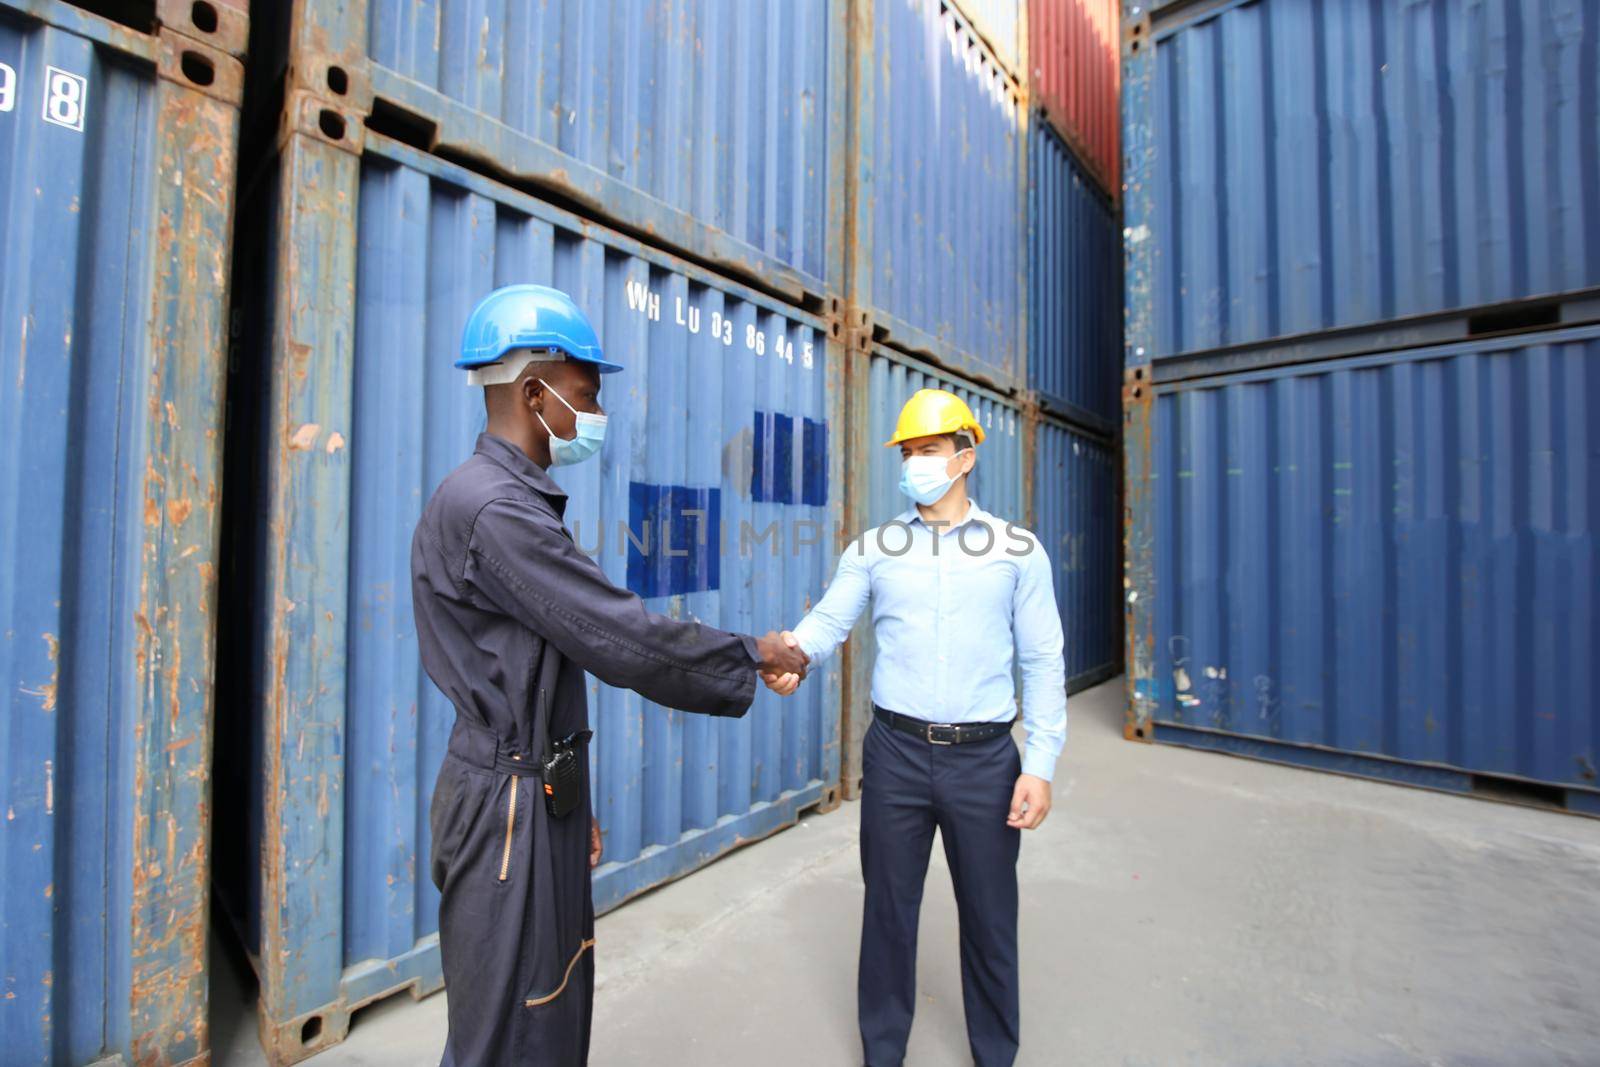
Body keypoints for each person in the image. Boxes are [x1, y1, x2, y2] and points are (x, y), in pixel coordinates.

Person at [411, 284, 810, 1066]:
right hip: (508, 810)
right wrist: (750, 653)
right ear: (535, 391)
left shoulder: (508, 499)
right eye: (586, 395)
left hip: (533, 794)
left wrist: (571, 796)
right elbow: (618, 633)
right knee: (510, 1032)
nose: (594, 414)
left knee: (550, 1005)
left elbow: (545, 661)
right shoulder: (496, 510)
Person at [762, 388, 1066, 1067]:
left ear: (965, 455)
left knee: (989, 921)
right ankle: (883, 1053)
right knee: (888, 916)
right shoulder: (875, 547)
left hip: (986, 760)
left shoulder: (1018, 551)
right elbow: (829, 622)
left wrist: (1039, 765)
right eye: (908, 453)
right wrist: (790, 656)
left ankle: (995, 1054)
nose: (915, 464)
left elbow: (1044, 660)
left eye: (928, 451)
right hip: (896, 752)